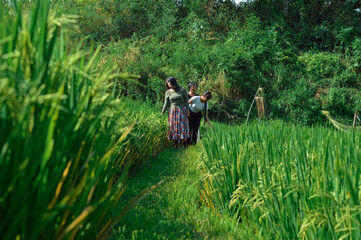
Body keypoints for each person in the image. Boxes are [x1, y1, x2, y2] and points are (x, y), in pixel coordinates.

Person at [161, 77, 190, 149]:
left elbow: (187, 101)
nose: (168, 84)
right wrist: (162, 112)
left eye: (169, 83)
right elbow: (166, 103)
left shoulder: (182, 90)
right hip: (173, 111)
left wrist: (188, 110)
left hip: (182, 111)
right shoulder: (167, 92)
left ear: (173, 82)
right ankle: (176, 145)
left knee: (182, 127)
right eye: (167, 83)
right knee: (174, 128)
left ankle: (181, 145)